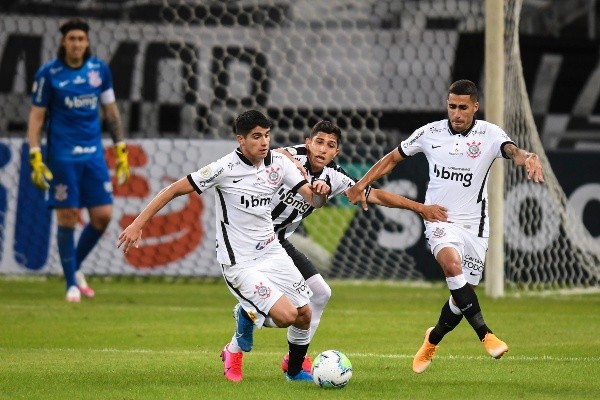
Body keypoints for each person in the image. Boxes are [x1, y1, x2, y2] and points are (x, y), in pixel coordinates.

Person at [346, 79, 545, 373]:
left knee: (461, 295)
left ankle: (432, 339)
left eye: (463, 107)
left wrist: (527, 156)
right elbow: (392, 159)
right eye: (452, 106)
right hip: (439, 219)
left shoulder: (489, 134)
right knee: (452, 267)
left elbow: (512, 151)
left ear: (475, 107)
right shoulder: (429, 133)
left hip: (475, 227)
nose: (456, 113)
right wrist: (362, 183)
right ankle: (486, 334)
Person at [117, 110, 330, 383]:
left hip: (272, 251)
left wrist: (321, 195)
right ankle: (237, 337)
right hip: (239, 263)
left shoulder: (279, 163)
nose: (264, 142)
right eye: (256, 137)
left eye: (267, 135)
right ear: (240, 140)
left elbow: (313, 200)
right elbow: (172, 190)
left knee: (305, 314)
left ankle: (294, 372)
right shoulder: (224, 169)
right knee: (287, 315)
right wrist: (138, 223)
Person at [231, 120, 449, 374]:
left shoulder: (333, 176)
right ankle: (238, 341)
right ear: (308, 142)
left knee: (320, 294)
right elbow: (273, 152)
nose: (323, 149)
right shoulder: (290, 156)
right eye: (319, 142)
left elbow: (374, 194)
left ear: (337, 152)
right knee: (283, 310)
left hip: (279, 242)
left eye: (330, 145)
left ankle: (293, 363)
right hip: (251, 242)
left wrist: (420, 208)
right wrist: (292, 162)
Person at [27, 18, 130, 302]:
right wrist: (35, 154)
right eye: (71, 38)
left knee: (103, 216)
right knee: (68, 217)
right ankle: (72, 283)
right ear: (63, 41)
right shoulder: (49, 74)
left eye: (81, 39)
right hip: (62, 156)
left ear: (87, 42)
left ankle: (74, 268)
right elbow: (36, 119)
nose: (76, 44)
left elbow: (111, 111)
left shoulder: (99, 71)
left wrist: (120, 148)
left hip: (93, 154)